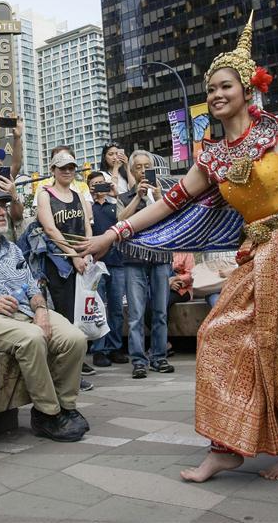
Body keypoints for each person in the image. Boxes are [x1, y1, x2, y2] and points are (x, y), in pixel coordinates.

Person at [76, 13, 278, 482]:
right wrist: (114, 234)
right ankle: (225, 447)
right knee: (217, 334)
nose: (216, 94)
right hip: (258, 249)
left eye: (225, 86)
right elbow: (169, 203)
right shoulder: (211, 157)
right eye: (211, 88)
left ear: (248, 89)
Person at [0, 188, 89, 443]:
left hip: (27, 311)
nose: (2, 212)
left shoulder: (13, 249)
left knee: (75, 338)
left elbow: (33, 289)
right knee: (33, 338)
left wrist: (41, 310)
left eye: (3, 207)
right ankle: (48, 413)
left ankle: (66, 407)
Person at [36, 151, 95, 388]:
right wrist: (74, 256)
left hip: (80, 259)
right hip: (58, 262)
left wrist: (87, 250)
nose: (67, 171)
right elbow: (50, 230)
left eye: (71, 167)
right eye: (62, 168)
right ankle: (66, 375)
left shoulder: (78, 194)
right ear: (53, 170)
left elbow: (87, 225)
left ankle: (73, 369)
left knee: (80, 315)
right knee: (65, 315)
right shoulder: (45, 194)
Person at [119, 150, 174, 378]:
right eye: (138, 167)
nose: (143, 171)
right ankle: (139, 361)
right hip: (134, 260)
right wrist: (137, 197)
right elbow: (120, 221)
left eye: (147, 167)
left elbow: (172, 220)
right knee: (136, 315)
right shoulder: (124, 197)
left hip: (160, 258)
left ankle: (159, 357)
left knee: (160, 311)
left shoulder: (164, 195)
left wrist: (159, 197)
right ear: (132, 171)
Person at [86, 172, 128, 367]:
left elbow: (127, 219)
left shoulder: (115, 206)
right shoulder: (89, 208)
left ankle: (115, 347)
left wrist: (116, 194)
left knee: (117, 309)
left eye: (102, 183)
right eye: (95, 184)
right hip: (96, 264)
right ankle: (99, 350)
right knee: (98, 308)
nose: (100, 187)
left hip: (117, 263)